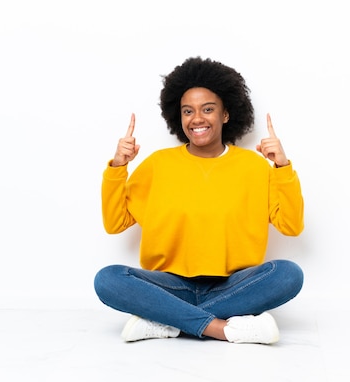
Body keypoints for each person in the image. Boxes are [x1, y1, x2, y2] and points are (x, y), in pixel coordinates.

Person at [94, 57, 304, 344]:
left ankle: (167, 321)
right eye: (188, 111)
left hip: (232, 286)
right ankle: (220, 328)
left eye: (208, 109)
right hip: (170, 285)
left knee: (288, 274)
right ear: (178, 117)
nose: (197, 118)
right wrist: (118, 167)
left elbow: (291, 226)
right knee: (107, 279)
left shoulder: (254, 167)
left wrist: (282, 168)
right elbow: (115, 223)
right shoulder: (158, 165)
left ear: (226, 114)